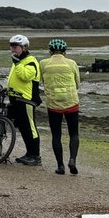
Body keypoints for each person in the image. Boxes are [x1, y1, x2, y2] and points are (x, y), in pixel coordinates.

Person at [39, 38, 81, 175]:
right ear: (64, 51)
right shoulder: (72, 63)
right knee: (73, 133)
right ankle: (72, 159)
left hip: (53, 104)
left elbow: (42, 81)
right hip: (71, 102)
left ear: (50, 51)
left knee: (56, 135)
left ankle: (60, 166)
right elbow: (77, 84)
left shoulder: (43, 64)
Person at [7, 34, 42, 166]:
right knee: (23, 127)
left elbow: (25, 76)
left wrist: (17, 64)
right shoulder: (19, 61)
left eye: (15, 46)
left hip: (27, 99)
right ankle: (29, 153)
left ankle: (35, 156)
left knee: (30, 128)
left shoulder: (31, 61)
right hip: (16, 98)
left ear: (24, 47)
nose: (12, 49)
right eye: (11, 46)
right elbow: (14, 77)